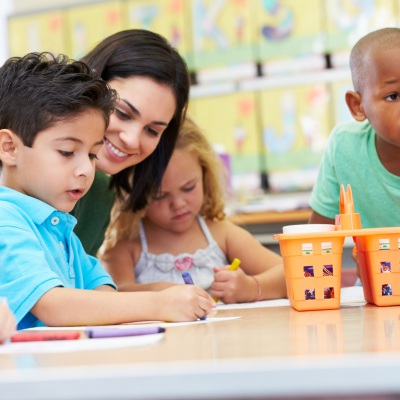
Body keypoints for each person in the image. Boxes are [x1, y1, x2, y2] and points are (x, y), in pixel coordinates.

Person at [0, 52, 213, 330]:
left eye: (91, 154)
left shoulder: (59, 227)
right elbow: (53, 305)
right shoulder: (6, 220)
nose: (86, 170)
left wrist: (162, 297)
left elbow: (101, 294)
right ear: (9, 147)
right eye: (67, 152)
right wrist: (158, 305)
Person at [99, 117, 287, 304]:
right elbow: (112, 296)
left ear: (205, 176)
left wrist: (252, 287)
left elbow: (290, 273)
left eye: (188, 188)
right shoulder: (126, 246)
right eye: (160, 196)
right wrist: (160, 292)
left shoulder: (222, 235)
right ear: (135, 194)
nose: (178, 204)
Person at [71, 29, 190, 257]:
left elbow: (79, 288)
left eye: (152, 130)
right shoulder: (16, 176)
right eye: (123, 113)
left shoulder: (99, 195)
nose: (131, 140)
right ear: (88, 88)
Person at [308, 27, 400, 282]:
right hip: (377, 292)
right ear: (358, 106)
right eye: (394, 96)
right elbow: (317, 241)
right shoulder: (345, 147)